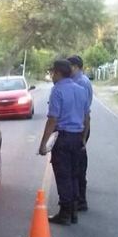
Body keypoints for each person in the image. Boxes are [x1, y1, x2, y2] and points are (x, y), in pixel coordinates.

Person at [38, 59, 91, 225]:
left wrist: (43, 144)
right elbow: (87, 117)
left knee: (63, 176)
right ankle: (74, 211)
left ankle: (65, 213)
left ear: (59, 73)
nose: (52, 75)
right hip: (77, 137)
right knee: (75, 175)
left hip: (63, 137)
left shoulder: (57, 90)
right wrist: (83, 138)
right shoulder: (81, 90)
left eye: (53, 72)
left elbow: (52, 119)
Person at [68, 55, 93, 211]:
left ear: (76, 67)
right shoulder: (79, 81)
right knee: (76, 162)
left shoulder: (81, 83)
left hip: (80, 126)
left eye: (69, 66)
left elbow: (84, 112)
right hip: (80, 125)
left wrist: (83, 136)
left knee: (77, 164)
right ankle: (77, 195)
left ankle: (80, 200)